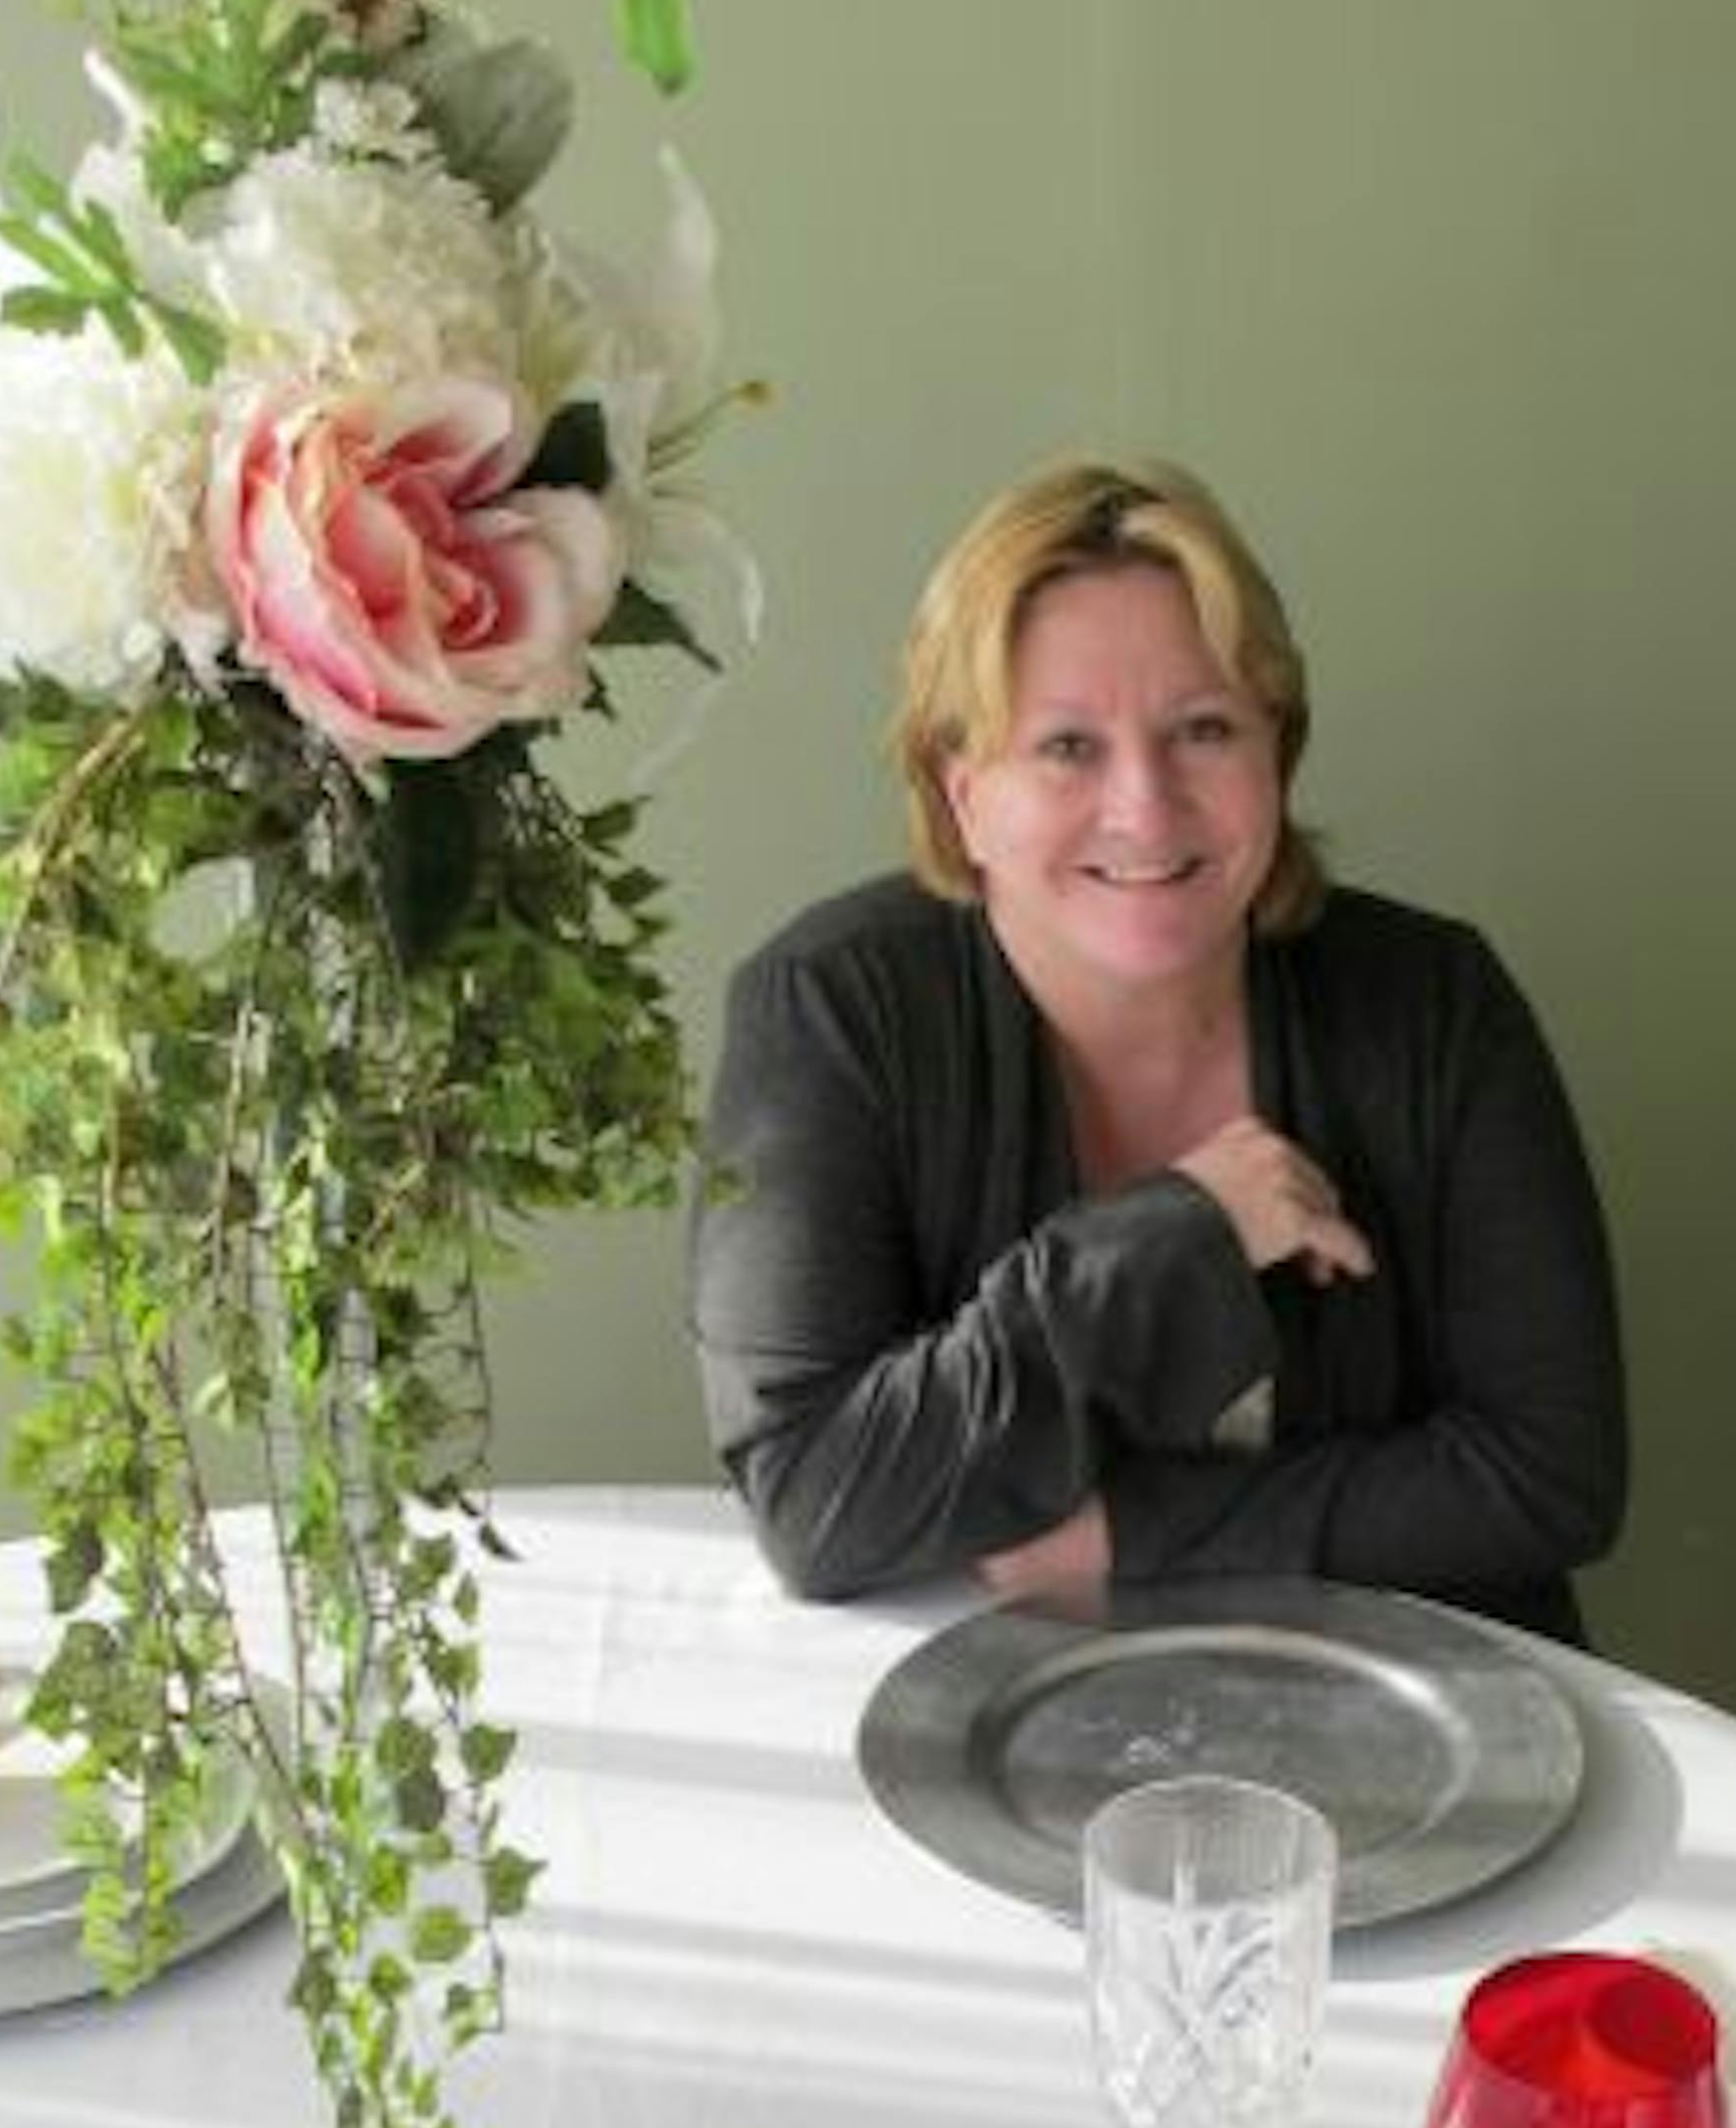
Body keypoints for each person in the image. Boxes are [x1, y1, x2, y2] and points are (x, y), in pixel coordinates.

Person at [690, 457, 1626, 1640]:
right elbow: (816, 1499)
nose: (1145, 804)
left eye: (1204, 729)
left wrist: (1136, 1535)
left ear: (1273, 758)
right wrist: (1176, 1237)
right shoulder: (829, 1012)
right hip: (973, 1724)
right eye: (1069, 747)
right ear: (961, 788)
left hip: (1422, 1724)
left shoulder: (1439, 1004)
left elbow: (1553, 1475)